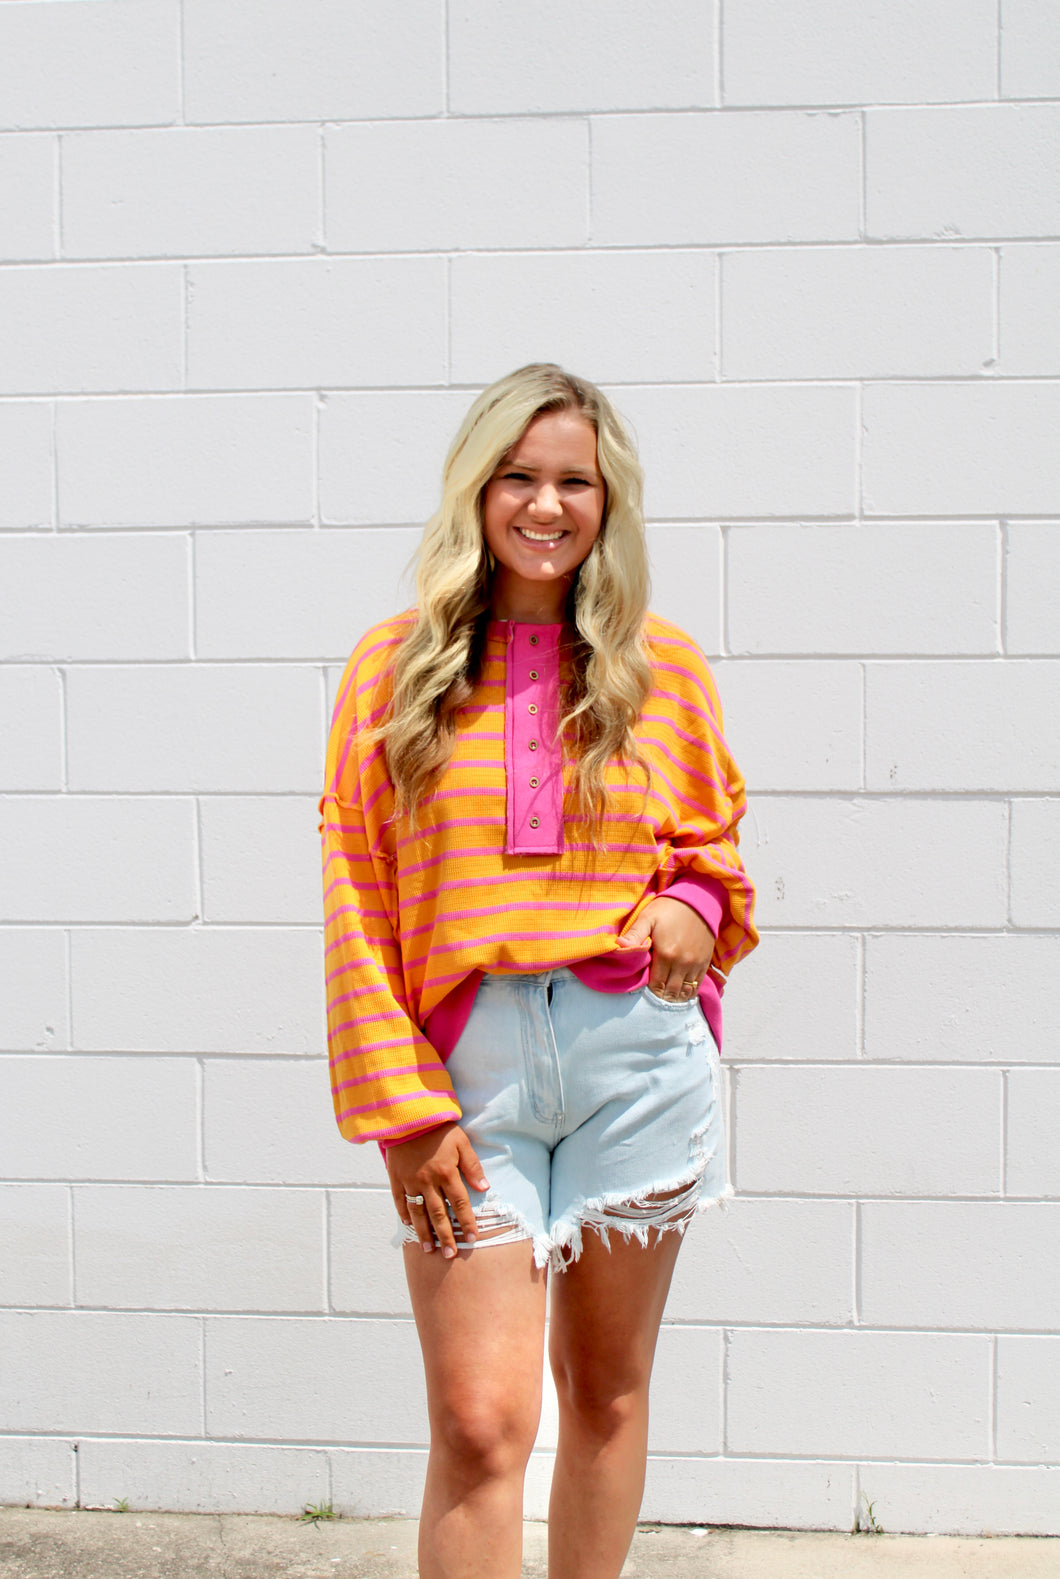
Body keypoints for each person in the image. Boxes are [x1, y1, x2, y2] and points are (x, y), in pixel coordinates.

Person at [320, 364, 757, 1579]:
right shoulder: (390, 669)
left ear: (608, 502)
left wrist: (692, 898)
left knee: (606, 1395)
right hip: (466, 1077)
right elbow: (354, 893)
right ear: (477, 489)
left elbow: (713, 839)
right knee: (477, 1423)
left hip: (635, 1056)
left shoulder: (659, 665)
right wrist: (399, 1113)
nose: (547, 504)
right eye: (520, 475)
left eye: (575, 479)